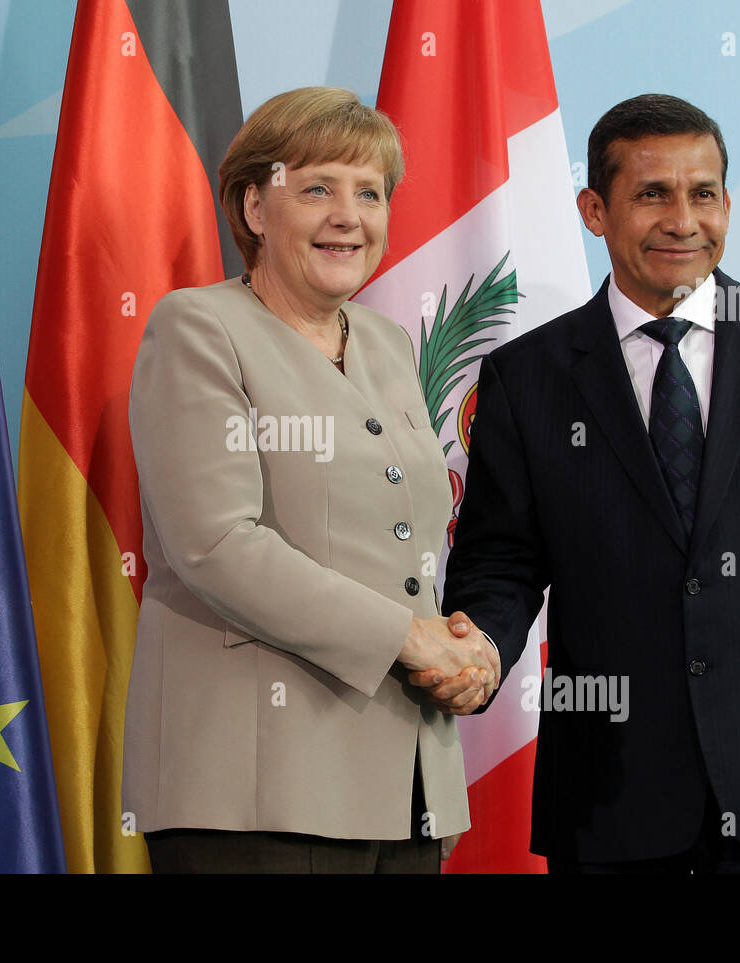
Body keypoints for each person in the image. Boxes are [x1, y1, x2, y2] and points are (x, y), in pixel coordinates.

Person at [437, 93, 740, 873]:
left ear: (728, 202)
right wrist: (480, 646)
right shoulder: (526, 376)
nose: (683, 220)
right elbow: (502, 562)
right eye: (652, 194)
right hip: (609, 790)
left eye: (703, 193)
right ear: (594, 209)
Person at [121, 86, 498, 874]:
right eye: (318, 187)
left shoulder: (391, 344)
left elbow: (404, 542)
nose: (348, 215)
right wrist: (405, 635)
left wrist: (467, 651)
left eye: (369, 193)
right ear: (255, 206)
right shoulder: (197, 328)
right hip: (254, 796)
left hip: (407, 789)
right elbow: (217, 544)